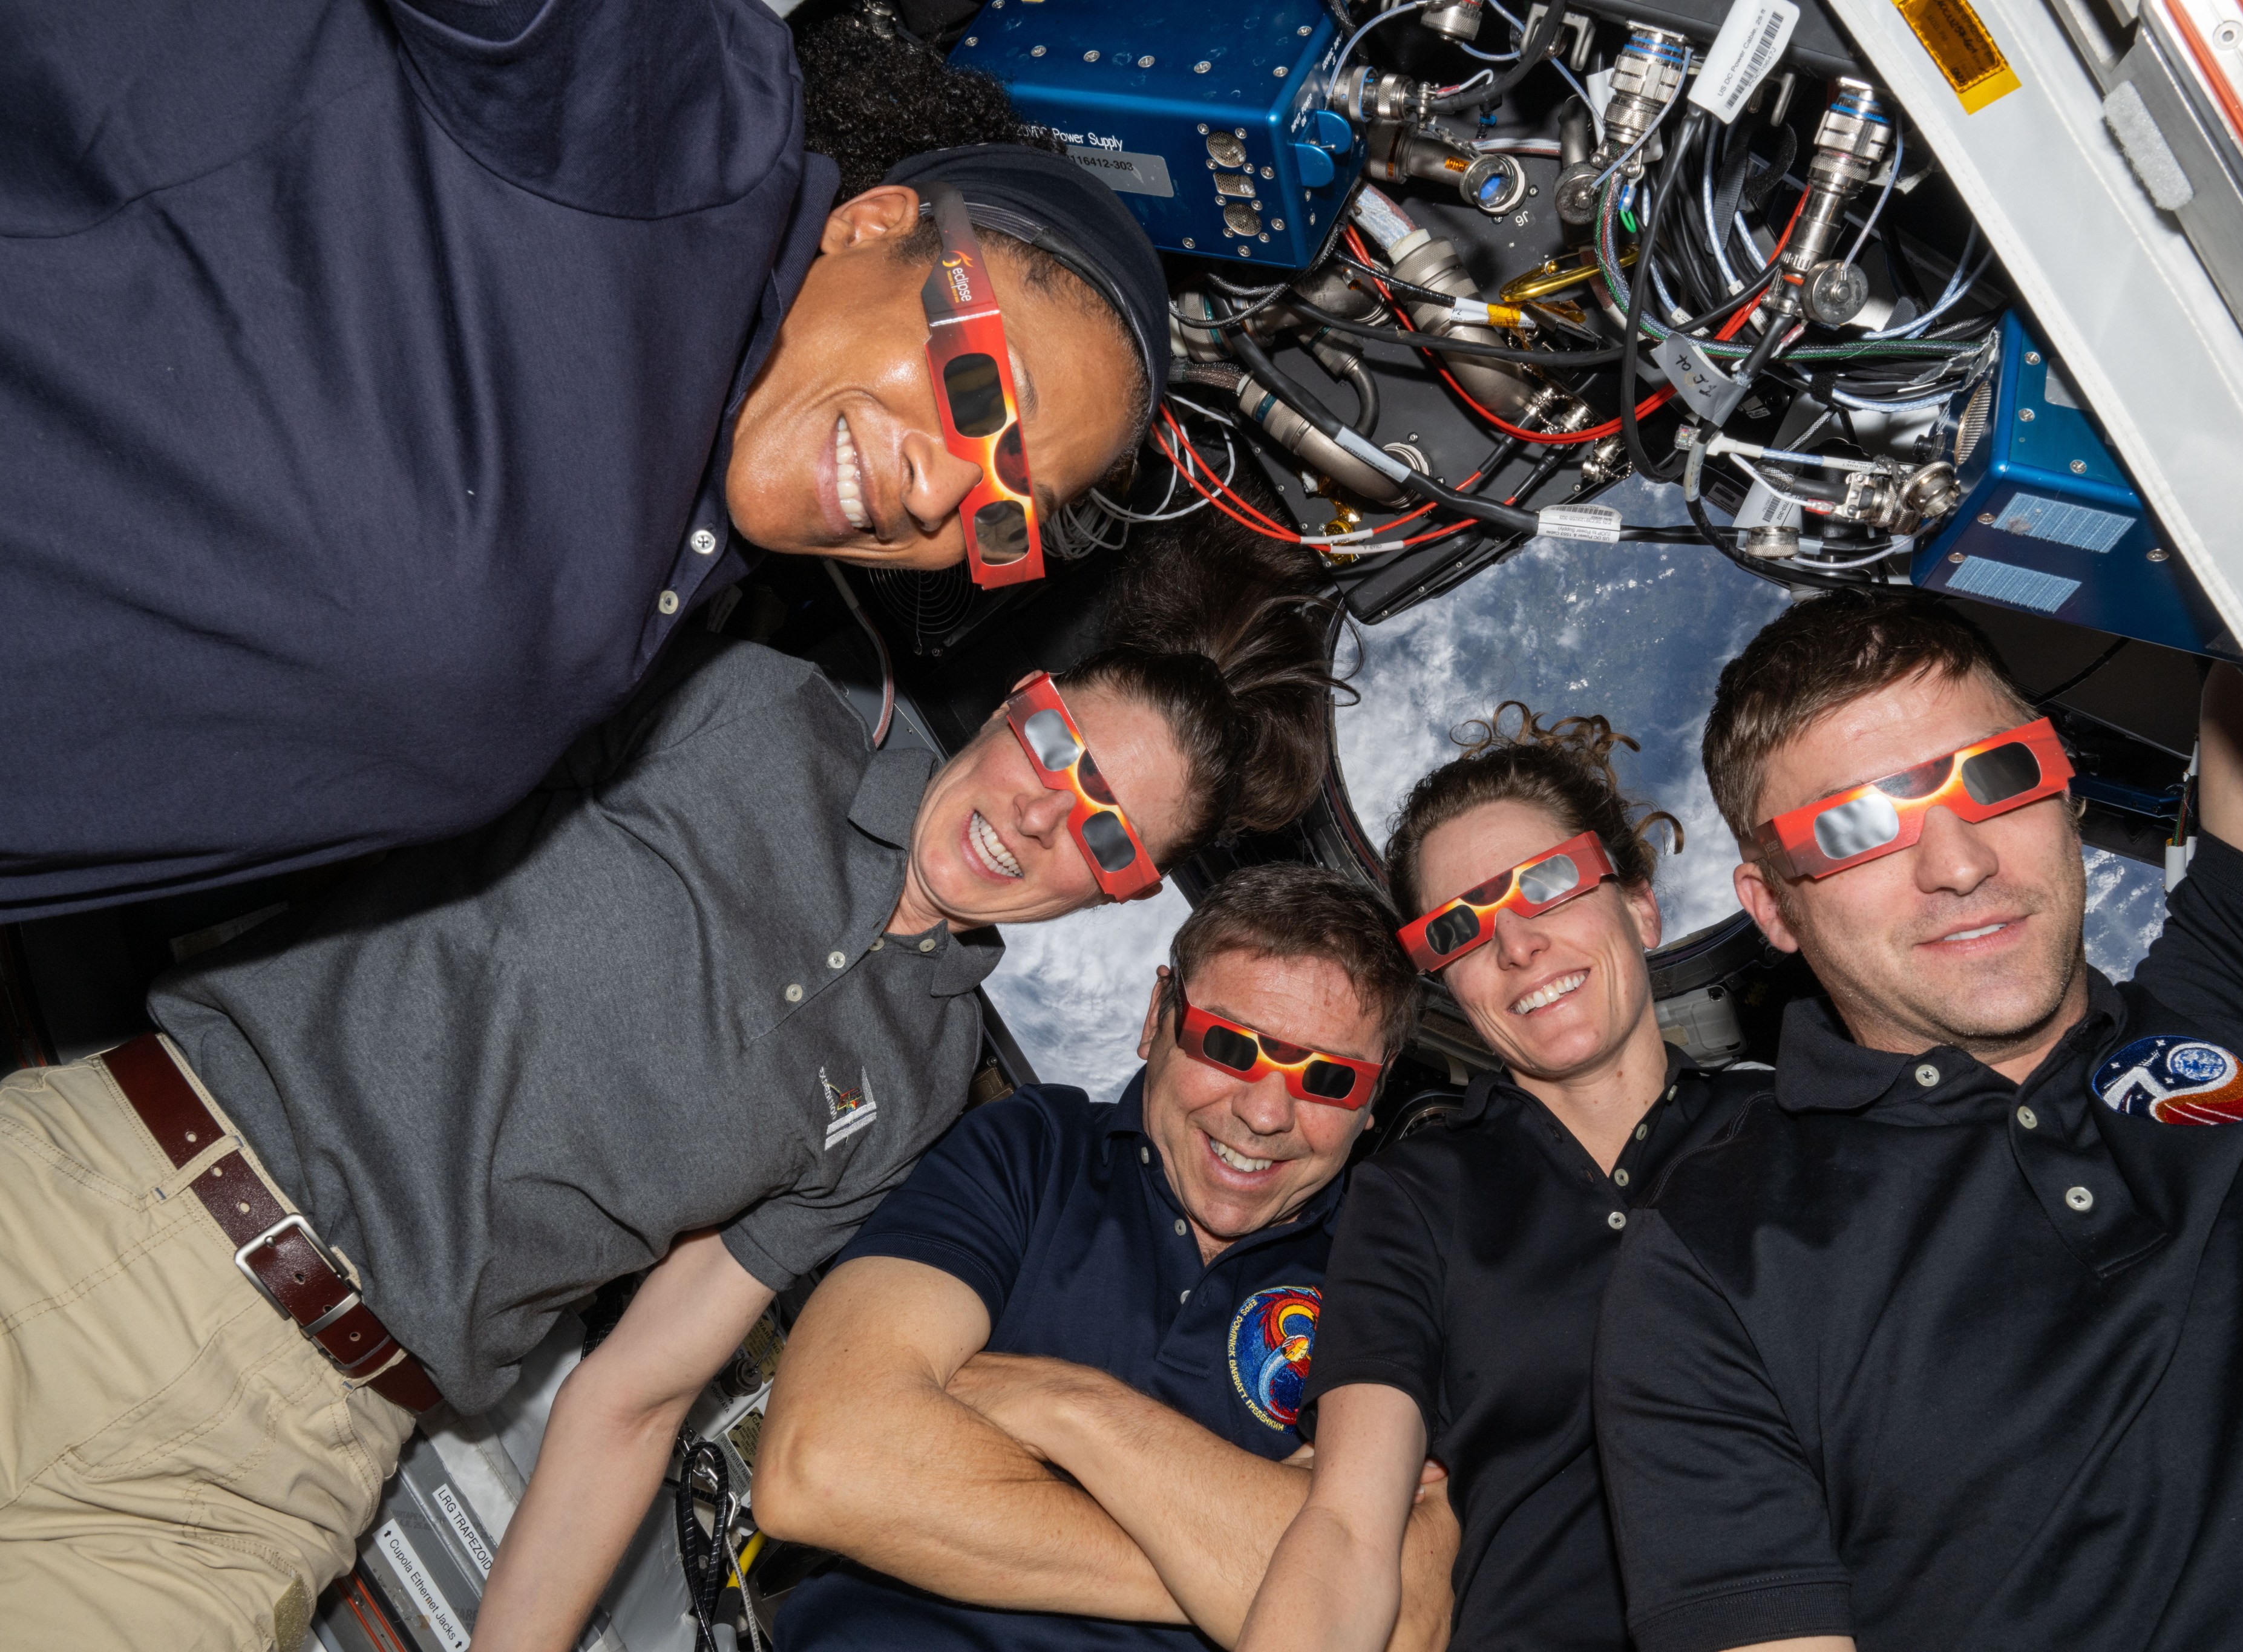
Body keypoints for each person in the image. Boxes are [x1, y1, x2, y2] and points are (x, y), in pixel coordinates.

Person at [0, 523, 1334, 1650]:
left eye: (1106, 831)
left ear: (1119, 888)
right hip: (99, 1201)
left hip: (284, 1456)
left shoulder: (918, 1083)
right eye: (1055, 749)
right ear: (1010, 706)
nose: (1046, 813)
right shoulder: (743, 706)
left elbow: (637, 1392)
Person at [2, 2, 1170, 922]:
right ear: (873, 224)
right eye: (983, 394)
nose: (941, 494)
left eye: (1003, 514)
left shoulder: (677, 595)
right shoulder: (674, 132)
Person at [1593, 590, 2243, 1652]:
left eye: (1999, 773)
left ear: (2065, 788)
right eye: (1857, 826)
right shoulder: (1712, 1257)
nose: (1960, 864)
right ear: (1774, 904)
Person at [751, 865, 1457, 1651]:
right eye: (1229, 1043)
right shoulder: (1031, 1152)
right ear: (1159, 1015)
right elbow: (821, 1462)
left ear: (1373, 1104)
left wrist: (1070, 1408)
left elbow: (1405, 1628)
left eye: (1328, 1077)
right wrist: (1271, 1572)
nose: (1263, 1113)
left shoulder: (1395, 1289)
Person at [1237, 709, 1767, 1652]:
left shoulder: (1793, 1128)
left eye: (1550, 883)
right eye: (1462, 926)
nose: (1516, 944)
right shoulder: (1414, 1195)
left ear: (1639, 904)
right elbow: (1350, 1527)